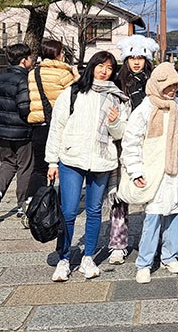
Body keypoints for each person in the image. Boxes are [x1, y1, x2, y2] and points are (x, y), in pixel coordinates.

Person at [46, 51, 129, 282]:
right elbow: (57, 127)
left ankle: (88, 257)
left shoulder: (117, 98)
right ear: (91, 66)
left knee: (94, 211)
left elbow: (121, 132)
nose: (104, 71)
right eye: (100, 65)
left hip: (102, 160)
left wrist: (114, 122)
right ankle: (64, 258)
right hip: (72, 158)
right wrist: (52, 161)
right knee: (69, 211)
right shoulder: (72, 92)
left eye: (109, 68)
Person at [120, 62, 178, 284]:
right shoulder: (144, 109)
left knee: (175, 216)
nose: (172, 91)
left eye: (175, 86)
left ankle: (170, 256)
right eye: (168, 87)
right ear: (156, 86)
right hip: (152, 171)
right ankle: (144, 263)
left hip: (174, 170)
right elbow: (131, 142)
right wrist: (135, 171)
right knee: (152, 218)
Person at [105, 35, 158, 265]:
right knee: (118, 195)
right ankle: (118, 244)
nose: (136, 62)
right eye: (132, 57)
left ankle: (151, 243)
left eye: (141, 57)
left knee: (153, 194)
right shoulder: (117, 83)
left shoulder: (154, 83)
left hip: (150, 144)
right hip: (120, 145)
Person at [25, 39, 78, 226]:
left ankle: (32, 204)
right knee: (63, 167)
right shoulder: (64, 74)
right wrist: (76, 75)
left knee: (39, 168)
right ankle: (62, 206)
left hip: (38, 125)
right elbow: (75, 97)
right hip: (60, 127)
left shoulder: (34, 73)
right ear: (59, 53)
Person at [0, 43, 34, 220]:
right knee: (25, 166)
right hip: (21, 131)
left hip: (2, 131)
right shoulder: (24, 79)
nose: (32, 60)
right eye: (30, 57)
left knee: (7, 163)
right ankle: (22, 205)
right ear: (24, 60)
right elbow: (24, 107)